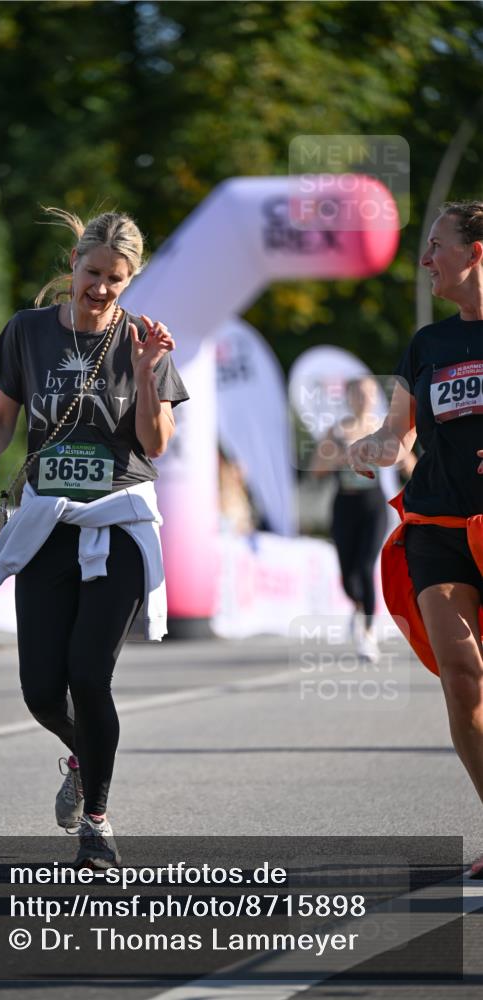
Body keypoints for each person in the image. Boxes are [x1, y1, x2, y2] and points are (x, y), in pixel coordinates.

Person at [0, 208, 189, 868]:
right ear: (72, 264)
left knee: (89, 674)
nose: (101, 289)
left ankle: (97, 819)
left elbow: (155, 443)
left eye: (116, 280)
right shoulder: (27, 332)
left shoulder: (144, 339)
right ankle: (81, 753)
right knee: (40, 689)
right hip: (45, 524)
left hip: (117, 521)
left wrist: (146, 373)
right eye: (92, 274)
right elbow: (2, 417)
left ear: (131, 277)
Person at [347, 200, 483, 876]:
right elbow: (397, 433)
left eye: (435, 247)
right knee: (462, 677)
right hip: (436, 526)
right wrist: (369, 445)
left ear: (474, 253)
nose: (426, 260)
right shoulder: (427, 345)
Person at [310, 376, 397, 662]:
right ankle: (358, 606)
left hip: (373, 507)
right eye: (358, 393)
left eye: (369, 393)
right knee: (348, 576)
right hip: (344, 505)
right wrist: (339, 457)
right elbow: (316, 471)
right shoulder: (336, 432)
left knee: (365, 566)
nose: (364, 398)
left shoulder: (382, 430)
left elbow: (407, 461)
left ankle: (369, 633)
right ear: (349, 397)